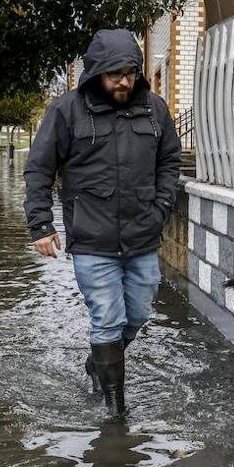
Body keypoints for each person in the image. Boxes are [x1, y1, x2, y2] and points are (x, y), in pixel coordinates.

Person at [25, 29, 181, 415]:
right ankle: (116, 410)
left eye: (130, 72)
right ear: (95, 73)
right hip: (92, 239)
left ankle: (99, 361)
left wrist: (160, 207)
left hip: (143, 235)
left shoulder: (155, 109)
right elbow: (40, 169)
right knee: (108, 318)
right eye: (115, 74)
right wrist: (41, 225)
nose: (124, 81)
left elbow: (170, 162)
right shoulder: (67, 110)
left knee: (139, 314)